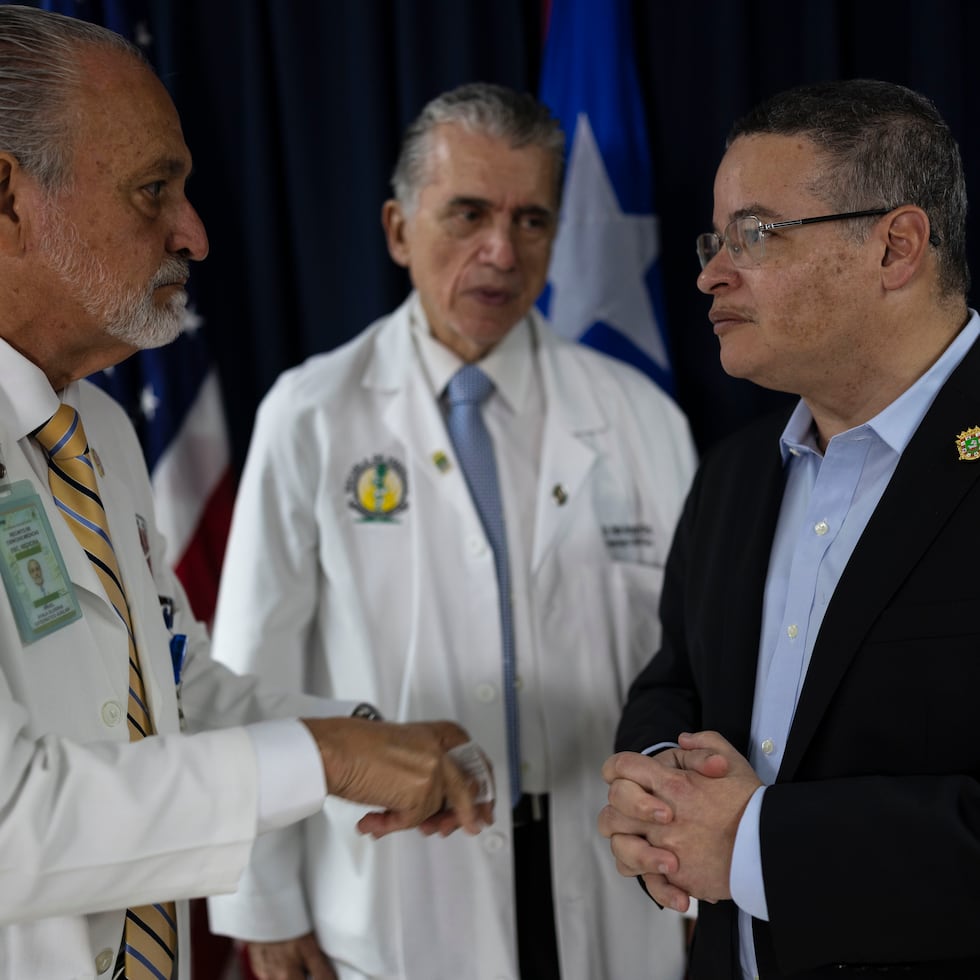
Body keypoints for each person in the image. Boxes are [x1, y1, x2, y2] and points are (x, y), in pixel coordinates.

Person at [0, 8, 490, 980]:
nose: (195, 232)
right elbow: (14, 820)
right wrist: (320, 757)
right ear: (8, 199)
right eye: (154, 190)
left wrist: (357, 734)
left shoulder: (95, 431)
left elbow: (167, 689)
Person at [207, 82, 697, 980]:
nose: (501, 251)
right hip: (396, 889)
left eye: (533, 220)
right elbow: (250, 671)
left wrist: (704, 876)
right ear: (399, 229)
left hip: (616, 879)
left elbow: (701, 663)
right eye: (468, 213)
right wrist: (264, 905)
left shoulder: (639, 415)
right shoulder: (312, 413)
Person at [598, 78, 980, 979]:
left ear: (895, 247)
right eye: (714, 238)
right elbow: (675, 681)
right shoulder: (736, 471)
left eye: (756, 234)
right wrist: (663, 792)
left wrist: (754, 844)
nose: (709, 272)